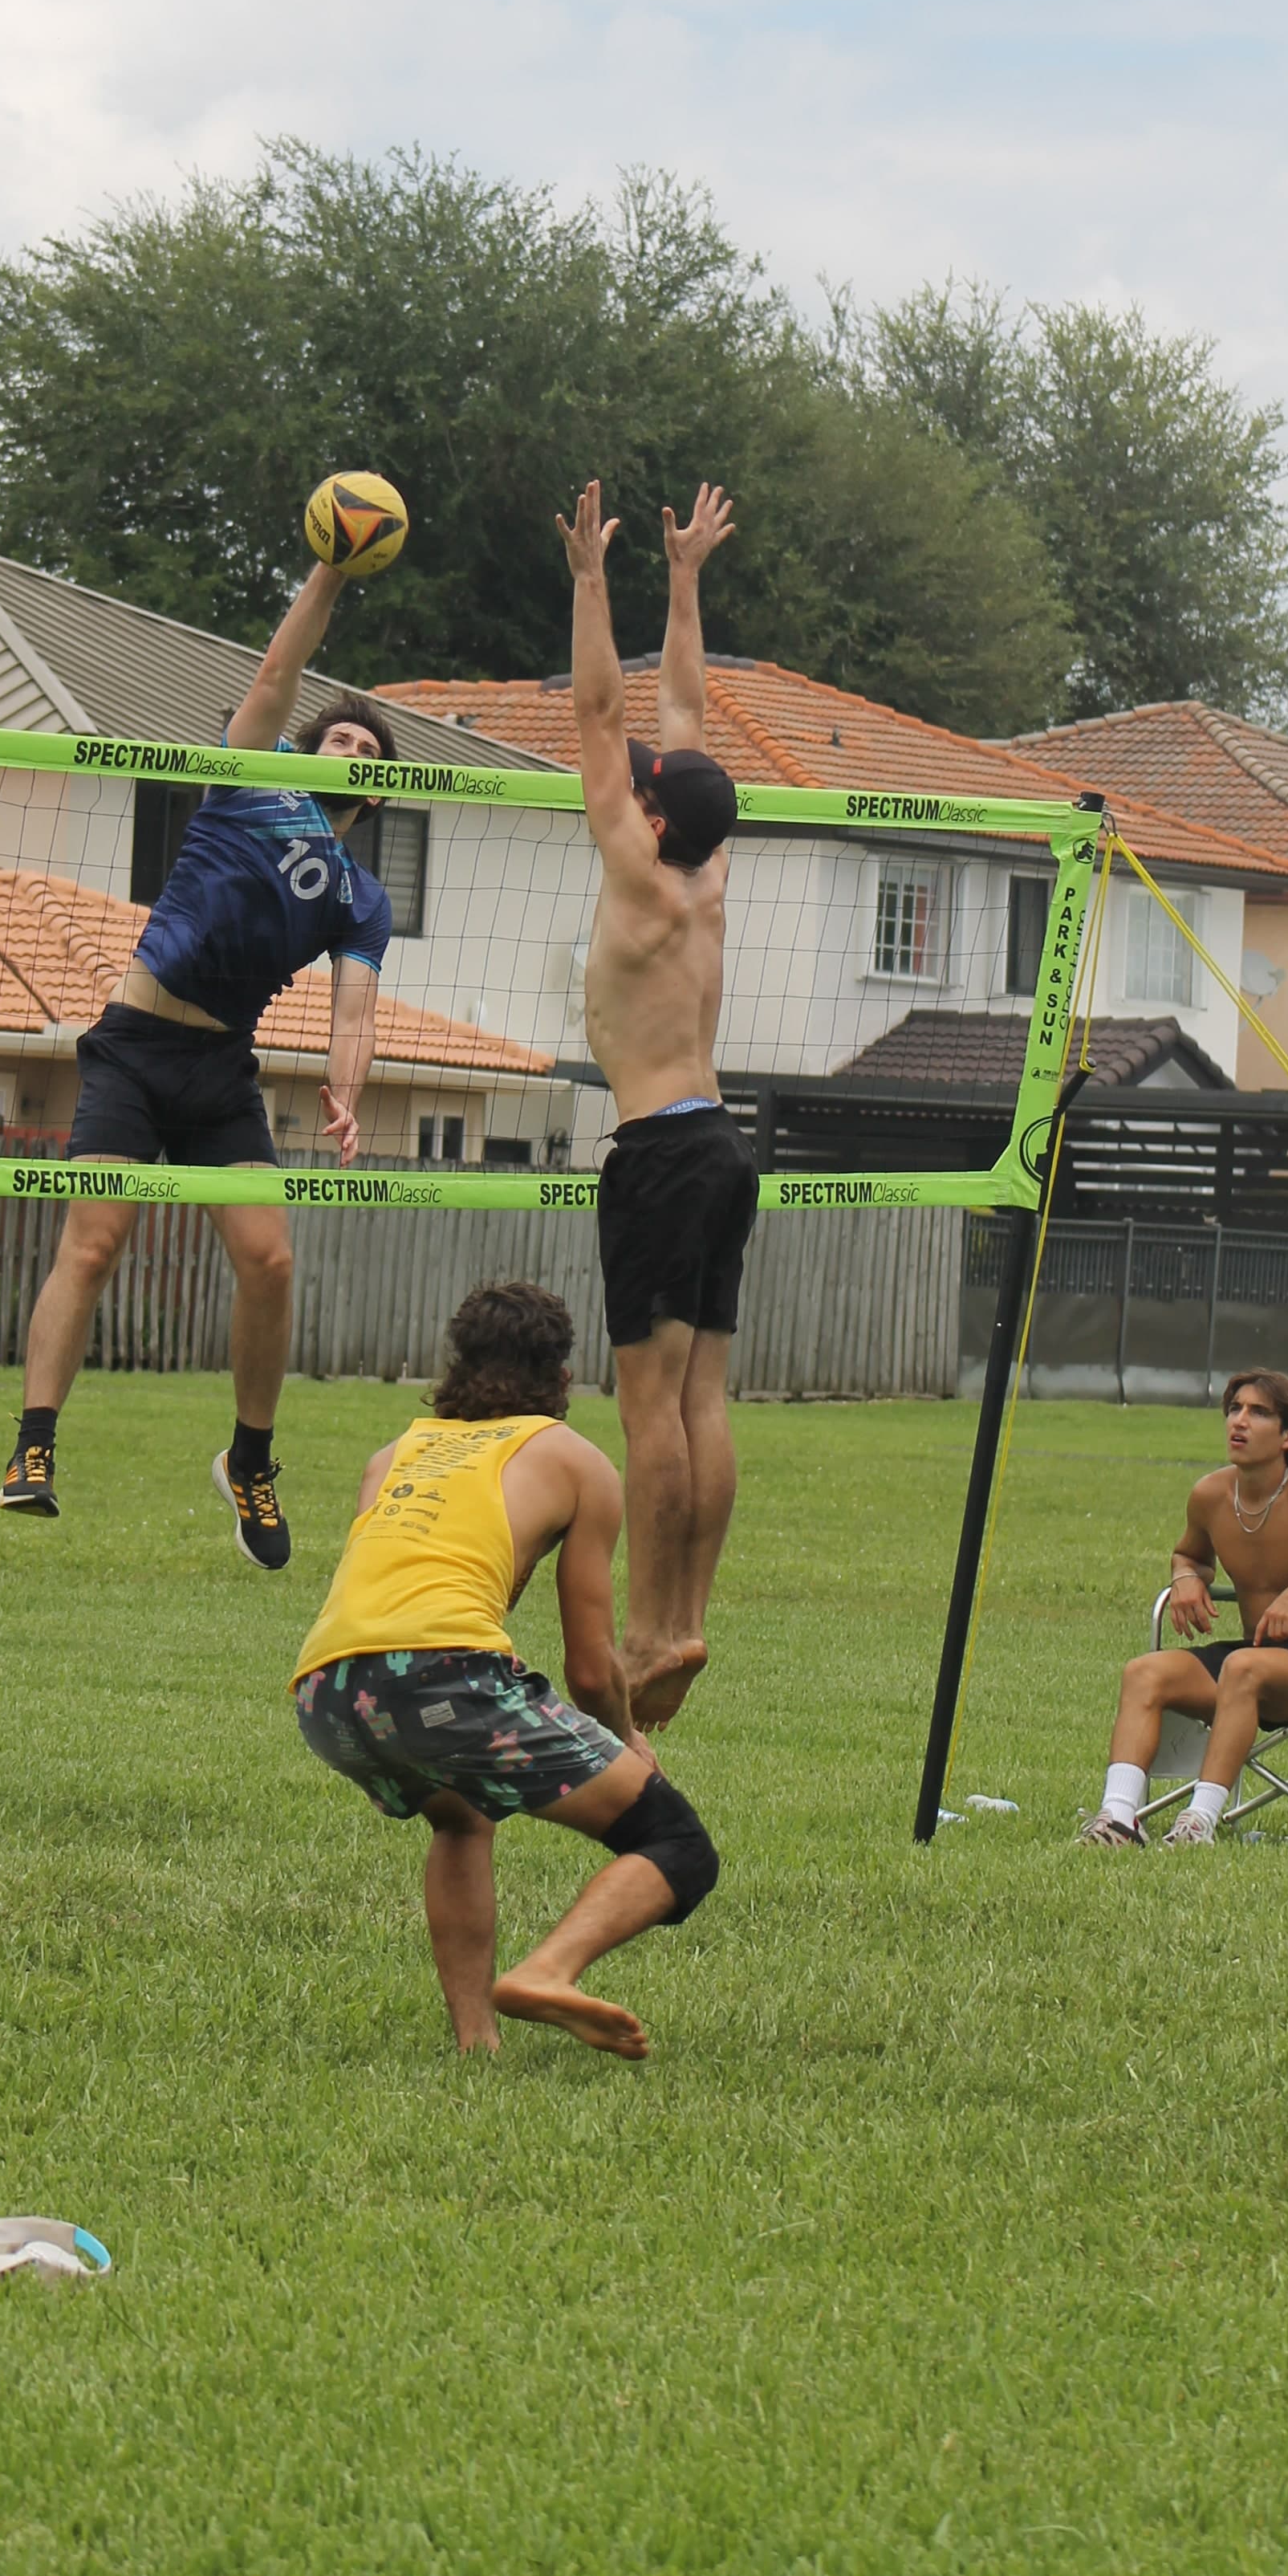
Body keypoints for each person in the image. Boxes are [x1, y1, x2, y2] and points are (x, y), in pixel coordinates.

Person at [0, 553, 394, 1569]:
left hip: (222, 1071)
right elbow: (275, 674)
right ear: (307, 749)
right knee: (92, 1247)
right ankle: (33, 1449)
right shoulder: (249, 775)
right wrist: (328, 575)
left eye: (366, 747)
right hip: (133, 1049)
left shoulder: (358, 897)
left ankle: (250, 1461)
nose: (347, 746)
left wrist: (346, 1093)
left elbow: (355, 1009)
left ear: (380, 787)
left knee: (269, 1259)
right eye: (337, 735)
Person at [291, 1280, 719, 2058]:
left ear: (455, 1365)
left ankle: (475, 2042)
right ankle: (549, 1971)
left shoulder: (391, 1456)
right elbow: (592, 1669)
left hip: (326, 1691)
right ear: (560, 1378)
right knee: (675, 1844)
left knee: (459, 1814)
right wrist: (630, 1742)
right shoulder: (572, 1460)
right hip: (440, 1674)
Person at [558, 476, 757, 1728]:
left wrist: (592, 578)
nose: (633, 774)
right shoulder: (708, 863)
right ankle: (688, 1620)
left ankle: (650, 1631)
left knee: (649, 1413)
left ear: (652, 811)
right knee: (705, 1402)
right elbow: (676, 710)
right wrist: (683, 580)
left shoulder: (636, 866)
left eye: (642, 779)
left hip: (660, 1152)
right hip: (726, 1148)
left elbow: (601, 706)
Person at [1080, 1368, 1288, 1848]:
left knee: (1242, 1668)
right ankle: (1117, 1821)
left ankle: (1199, 1824)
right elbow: (1191, 1555)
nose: (1239, 1421)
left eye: (1258, 1412)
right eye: (1235, 1409)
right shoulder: (1210, 1495)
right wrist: (1185, 1579)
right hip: (1254, 1653)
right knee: (1144, 1672)